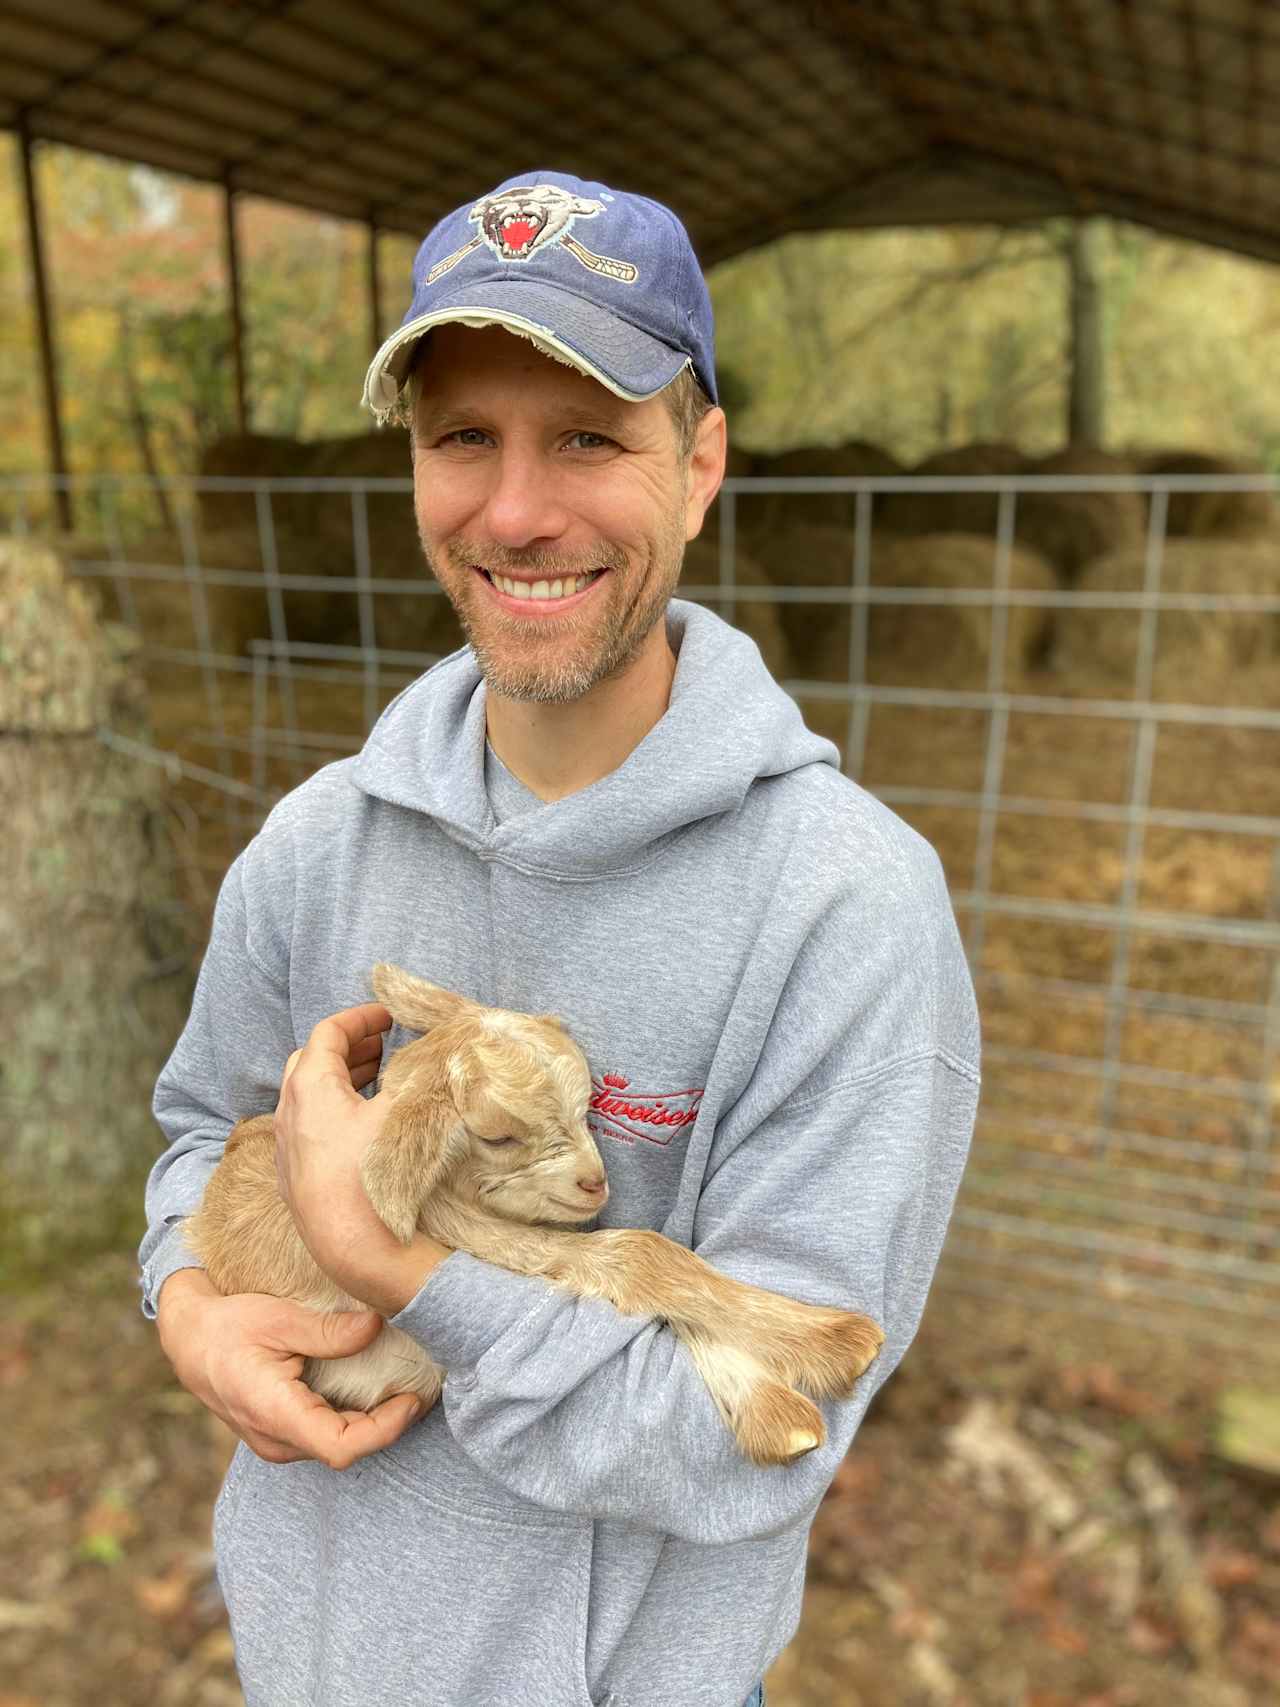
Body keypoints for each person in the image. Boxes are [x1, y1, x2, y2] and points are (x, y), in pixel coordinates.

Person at [140, 170, 981, 1707]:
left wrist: (393, 1265)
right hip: (308, 1658)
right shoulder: (318, 840)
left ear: (702, 462)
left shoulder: (846, 911)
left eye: (588, 437)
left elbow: (756, 1425)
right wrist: (186, 1310)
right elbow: (202, 1127)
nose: (516, 512)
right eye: (465, 437)